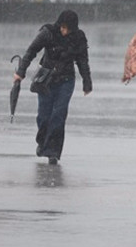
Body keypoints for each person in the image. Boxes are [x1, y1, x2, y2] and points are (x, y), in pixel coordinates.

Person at [13, 10, 92, 165]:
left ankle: (53, 152)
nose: (64, 31)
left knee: (59, 115)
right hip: (46, 80)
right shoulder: (48, 33)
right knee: (44, 116)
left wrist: (87, 82)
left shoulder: (78, 38)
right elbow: (31, 51)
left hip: (66, 81)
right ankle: (43, 142)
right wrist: (20, 72)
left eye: (67, 28)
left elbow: (83, 61)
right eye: (62, 27)